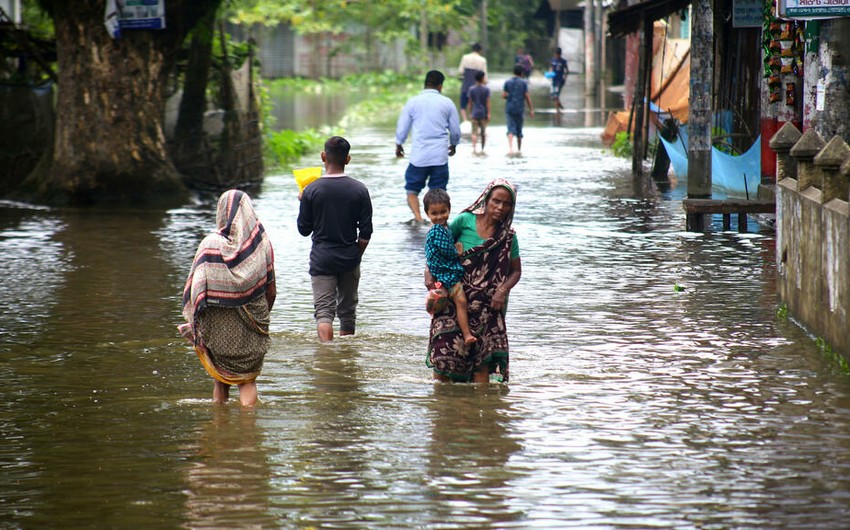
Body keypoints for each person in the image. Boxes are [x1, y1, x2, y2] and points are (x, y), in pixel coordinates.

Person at [178, 189, 276, 407]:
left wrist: (197, 324)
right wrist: (260, 318)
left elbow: (196, 291)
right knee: (247, 380)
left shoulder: (209, 244)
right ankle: (248, 434)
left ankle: (220, 428)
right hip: (252, 327)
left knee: (219, 381)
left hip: (217, 330)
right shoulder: (262, 243)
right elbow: (271, 289)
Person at [426, 178, 522, 383]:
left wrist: (502, 291)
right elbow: (437, 248)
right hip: (453, 296)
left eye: (506, 204)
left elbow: (515, 272)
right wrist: (429, 275)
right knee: (444, 357)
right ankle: (440, 407)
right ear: (486, 200)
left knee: (482, 364)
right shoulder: (464, 221)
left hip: (487, 307)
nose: (500, 207)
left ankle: (480, 407)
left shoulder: (508, 238)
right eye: (496, 201)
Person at [298, 136, 373, 342]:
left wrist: (303, 201)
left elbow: (303, 230)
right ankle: (346, 360)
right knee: (347, 313)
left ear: (323, 157)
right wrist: (355, 254)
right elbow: (366, 232)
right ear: (347, 159)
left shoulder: (311, 190)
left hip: (322, 259)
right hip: (349, 257)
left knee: (324, 313)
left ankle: (328, 360)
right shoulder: (360, 189)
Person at [396, 70, 461, 224]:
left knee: (412, 190)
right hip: (439, 156)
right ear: (440, 85)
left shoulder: (413, 102)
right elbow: (455, 130)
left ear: (425, 83)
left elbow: (403, 127)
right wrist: (454, 144)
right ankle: (436, 223)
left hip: (419, 156)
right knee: (438, 192)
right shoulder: (447, 103)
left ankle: (418, 219)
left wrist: (399, 144)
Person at [423, 188, 476, 345]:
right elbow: (447, 251)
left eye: (443, 212)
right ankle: (467, 334)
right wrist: (458, 251)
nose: (439, 217)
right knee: (461, 302)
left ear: (449, 209)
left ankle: (441, 296)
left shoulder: (444, 228)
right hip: (445, 272)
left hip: (440, 271)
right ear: (427, 214)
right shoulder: (438, 230)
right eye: (434, 213)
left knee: (447, 300)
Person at [502, 64, 535, 156]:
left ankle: (510, 149)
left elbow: (504, 95)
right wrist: (531, 109)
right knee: (519, 129)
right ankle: (519, 149)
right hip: (520, 109)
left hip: (509, 108)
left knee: (510, 129)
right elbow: (527, 97)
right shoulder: (523, 83)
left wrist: (509, 96)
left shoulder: (507, 82)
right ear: (522, 73)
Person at [457, 43, 487, 122]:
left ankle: (465, 120)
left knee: (463, 105)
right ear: (480, 50)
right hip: (477, 87)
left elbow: (460, 71)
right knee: (477, 104)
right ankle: (475, 120)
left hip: (466, 85)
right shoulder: (482, 60)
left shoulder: (465, 57)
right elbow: (484, 75)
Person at [466, 70, 491, 155]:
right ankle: (482, 149)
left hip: (475, 113)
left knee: (474, 132)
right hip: (483, 113)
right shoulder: (486, 89)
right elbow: (487, 102)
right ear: (482, 78)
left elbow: (470, 103)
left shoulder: (471, 89)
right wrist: (488, 113)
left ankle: (474, 149)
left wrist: (470, 113)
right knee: (483, 133)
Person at [550, 47, 569, 112]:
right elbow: (551, 68)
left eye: (559, 54)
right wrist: (550, 74)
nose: (558, 55)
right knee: (553, 96)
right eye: (557, 54)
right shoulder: (553, 60)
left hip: (560, 80)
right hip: (554, 80)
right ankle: (560, 106)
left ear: (560, 54)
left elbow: (567, 71)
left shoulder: (563, 61)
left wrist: (565, 78)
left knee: (556, 95)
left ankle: (557, 111)